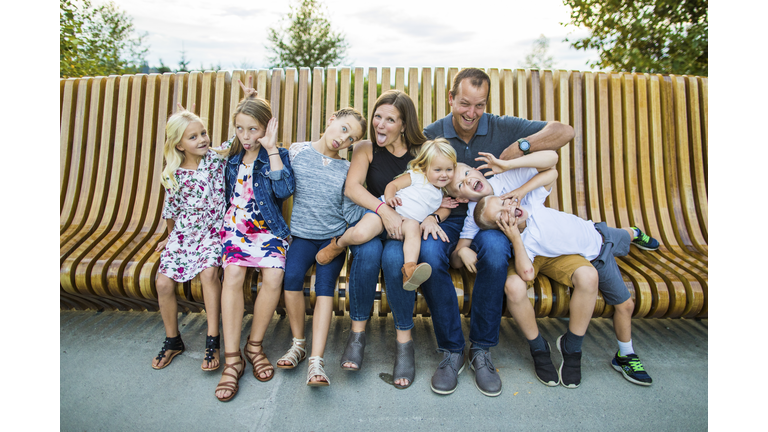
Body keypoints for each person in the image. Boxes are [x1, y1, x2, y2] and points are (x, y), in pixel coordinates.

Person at [422, 67, 575, 397]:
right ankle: (451, 350)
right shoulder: (432, 134)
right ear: (451, 98)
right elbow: (408, 170)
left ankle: (481, 349)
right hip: (448, 217)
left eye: (480, 105)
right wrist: (431, 214)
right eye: (464, 103)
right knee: (430, 255)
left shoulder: (502, 126)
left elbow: (564, 131)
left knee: (493, 250)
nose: (471, 113)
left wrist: (519, 147)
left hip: (491, 217)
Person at [473, 161, 659, 388]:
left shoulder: (531, 202)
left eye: (504, 203)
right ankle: (539, 348)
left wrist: (518, 192)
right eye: (502, 216)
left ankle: (572, 347)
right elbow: (526, 273)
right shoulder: (524, 242)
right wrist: (514, 237)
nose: (509, 210)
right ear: (501, 228)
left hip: (596, 237)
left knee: (619, 239)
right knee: (516, 285)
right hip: (568, 251)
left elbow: (551, 171)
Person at [340, 90, 442, 390]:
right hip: (374, 223)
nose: (380, 125)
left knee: (396, 259)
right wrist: (384, 210)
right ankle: (357, 335)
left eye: (390, 120)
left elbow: (443, 190)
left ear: (403, 124)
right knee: (369, 253)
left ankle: (404, 343)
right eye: (377, 117)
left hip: (404, 232)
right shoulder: (365, 148)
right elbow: (352, 188)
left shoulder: (423, 151)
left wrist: (433, 217)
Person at [214, 81, 295, 402]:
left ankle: (254, 345)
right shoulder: (232, 154)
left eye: (254, 130)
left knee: (274, 274)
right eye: (240, 129)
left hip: (268, 230)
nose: (246, 137)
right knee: (233, 274)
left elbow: (283, 191)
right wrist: (248, 99)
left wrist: (272, 148)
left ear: (267, 129)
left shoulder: (277, 155)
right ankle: (232, 358)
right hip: (235, 229)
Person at [276, 107, 367, 386]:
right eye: (343, 129)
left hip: (332, 241)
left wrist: (371, 215)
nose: (344, 139)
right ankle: (299, 344)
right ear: (331, 120)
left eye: (351, 139)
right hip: (302, 237)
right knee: (291, 278)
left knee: (324, 287)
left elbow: (350, 209)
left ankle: (316, 361)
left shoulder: (346, 169)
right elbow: (278, 182)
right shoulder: (297, 151)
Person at [316, 138, 457, 291]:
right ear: (424, 168)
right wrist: (390, 198)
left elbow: (444, 209)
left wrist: (438, 212)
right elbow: (393, 185)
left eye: (449, 170)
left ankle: (409, 269)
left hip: (404, 223)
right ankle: (339, 244)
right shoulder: (417, 176)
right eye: (438, 170)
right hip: (385, 214)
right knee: (360, 235)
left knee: (414, 227)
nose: (444, 175)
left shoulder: (441, 193)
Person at [151, 104, 226, 373]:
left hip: (213, 231)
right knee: (162, 282)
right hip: (184, 234)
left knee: (208, 274)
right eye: (192, 137)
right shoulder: (173, 174)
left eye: (203, 133)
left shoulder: (216, 160)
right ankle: (173, 340)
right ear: (179, 145)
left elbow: (238, 141)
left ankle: (213, 339)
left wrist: (250, 99)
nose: (202, 139)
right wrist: (170, 238)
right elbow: (172, 210)